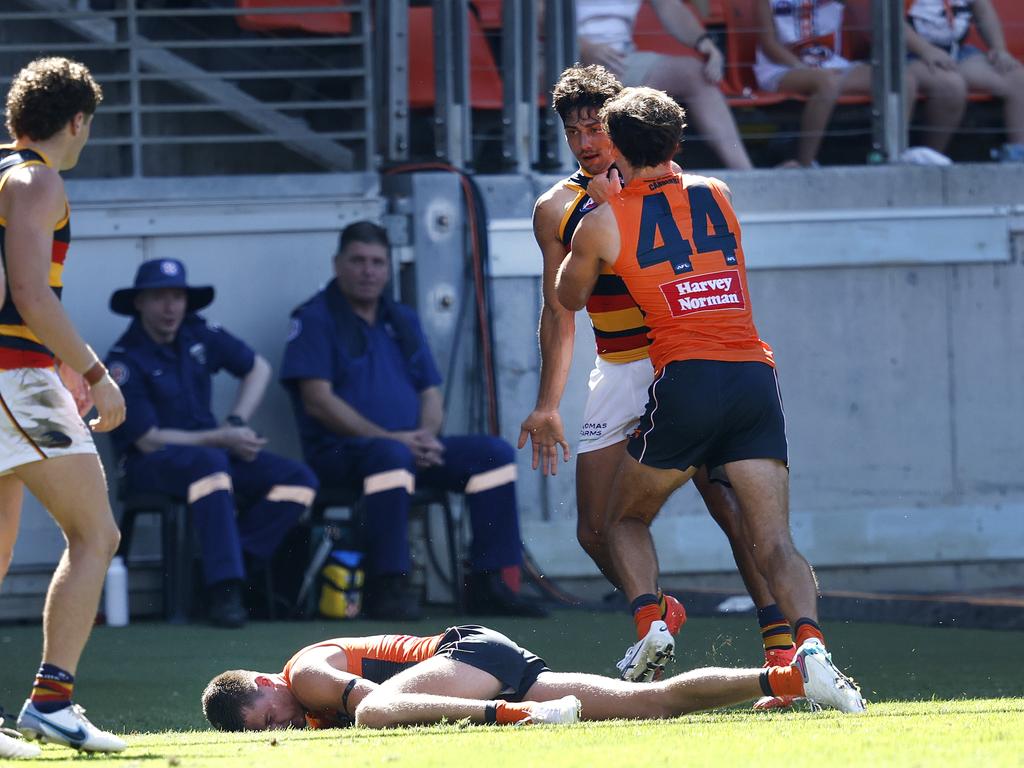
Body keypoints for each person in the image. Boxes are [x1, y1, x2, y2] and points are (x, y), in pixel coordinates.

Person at [555, 85, 862, 712]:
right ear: (675, 142)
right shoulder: (718, 194)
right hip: (754, 374)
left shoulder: (604, 217)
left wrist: (597, 211)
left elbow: (567, 296)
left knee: (623, 519)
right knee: (774, 540)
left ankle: (652, 622)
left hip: (687, 378)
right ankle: (812, 656)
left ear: (616, 144)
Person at [519, 64, 796, 705]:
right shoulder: (557, 208)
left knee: (730, 507)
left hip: (681, 364)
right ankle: (657, 613)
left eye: (596, 125)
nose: (587, 140)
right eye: (573, 129)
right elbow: (559, 308)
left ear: (620, 122)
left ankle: (779, 641)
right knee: (594, 529)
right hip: (619, 366)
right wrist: (547, 405)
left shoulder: (672, 189)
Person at [279, 221, 544, 621]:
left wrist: (424, 436)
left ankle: (490, 584)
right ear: (337, 264)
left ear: (388, 269)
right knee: (389, 456)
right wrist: (395, 440)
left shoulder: (400, 318)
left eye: (377, 262)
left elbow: (430, 393)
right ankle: (390, 585)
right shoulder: (315, 319)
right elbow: (317, 401)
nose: (368, 271)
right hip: (340, 454)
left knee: (493, 454)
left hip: (406, 450)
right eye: (358, 261)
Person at [0, 56, 127, 756]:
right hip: (11, 378)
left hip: (18, 370)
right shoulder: (36, 177)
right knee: (95, 534)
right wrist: (92, 370)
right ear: (77, 120)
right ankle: (52, 702)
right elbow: (28, 291)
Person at [104, 258, 318, 629]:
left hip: (214, 453)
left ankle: (231, 564)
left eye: (177, 297)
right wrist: (221, 438)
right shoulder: (124, 360)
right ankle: (225, 592)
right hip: (151, 465)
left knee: (298, 480)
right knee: (211, 467)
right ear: (139, 303)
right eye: (159, 298)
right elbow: (148, 440)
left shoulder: (197, 333)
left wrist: (235, 422)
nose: (171, 307)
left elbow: (258, 367)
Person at [200, 622, 865, 732]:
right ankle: (791, 676)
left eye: (270, 716)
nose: (285, 725)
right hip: (486, 663)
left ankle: (520, 719)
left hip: (466, 657)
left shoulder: (306, 673)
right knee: (651, 706)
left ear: (265, 682)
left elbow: (381, 705)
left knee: (373, 716)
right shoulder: (302, 701)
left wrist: (495, 713)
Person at [576, 0, 754, 170]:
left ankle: (748, 174)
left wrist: (704, 42)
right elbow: (546, 15)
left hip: (621, 60)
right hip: (562, 56)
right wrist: (581, 47)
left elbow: (670, 6)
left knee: (697, 74)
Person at [754, 0, 921, 167]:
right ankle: (804, 163)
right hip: (782, 68)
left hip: (830, 63)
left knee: (904, 80)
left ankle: (893, 157)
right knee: (828, 82)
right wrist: (803, 68)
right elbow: (770, 45)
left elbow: (867, 20)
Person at [907, 0, 1024, 162]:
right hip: (911, 54)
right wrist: (926, 50)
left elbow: (983, 12)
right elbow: (892, 22)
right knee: (950, 85)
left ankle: (1019, 156)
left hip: (957, 52)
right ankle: (928, 158)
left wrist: (999, 49)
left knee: (1016, 78)